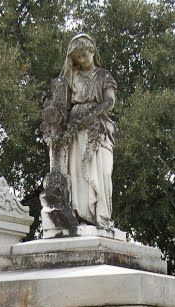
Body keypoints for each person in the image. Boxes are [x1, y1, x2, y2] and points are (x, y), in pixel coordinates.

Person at [59, 33, 116, 230]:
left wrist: (92, 115)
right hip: (76, 129)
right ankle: (83, 215)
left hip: (98, 128)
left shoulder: (103, 75)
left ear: (92, 51)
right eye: (78, 57)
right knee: (78, 173)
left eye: (84, 55)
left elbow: (109, 101)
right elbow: (63, 104)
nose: (82, 60)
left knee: (103, 172)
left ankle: (102, 215)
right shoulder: (72, 77)